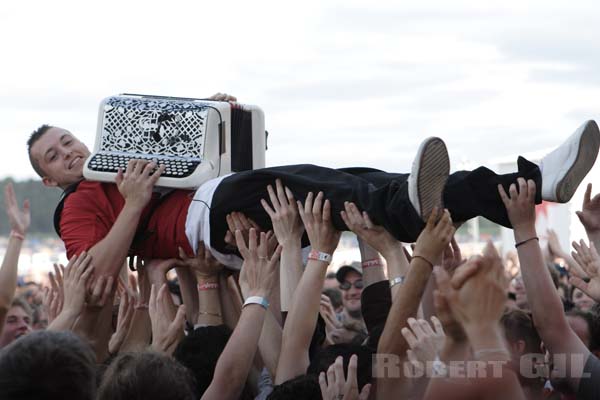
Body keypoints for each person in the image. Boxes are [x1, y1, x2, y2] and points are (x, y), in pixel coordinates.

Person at [26, 114, 600, 281]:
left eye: (68, 140)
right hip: (213, 220)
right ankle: (406, 212)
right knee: (358, 190)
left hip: (223, 199)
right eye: (53, 156)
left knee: (362, 178)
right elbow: (91, 273)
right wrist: (130, 204)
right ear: (50, 180)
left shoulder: (125, 154)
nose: (68, 153)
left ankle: (527, 187)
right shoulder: (77, 204)